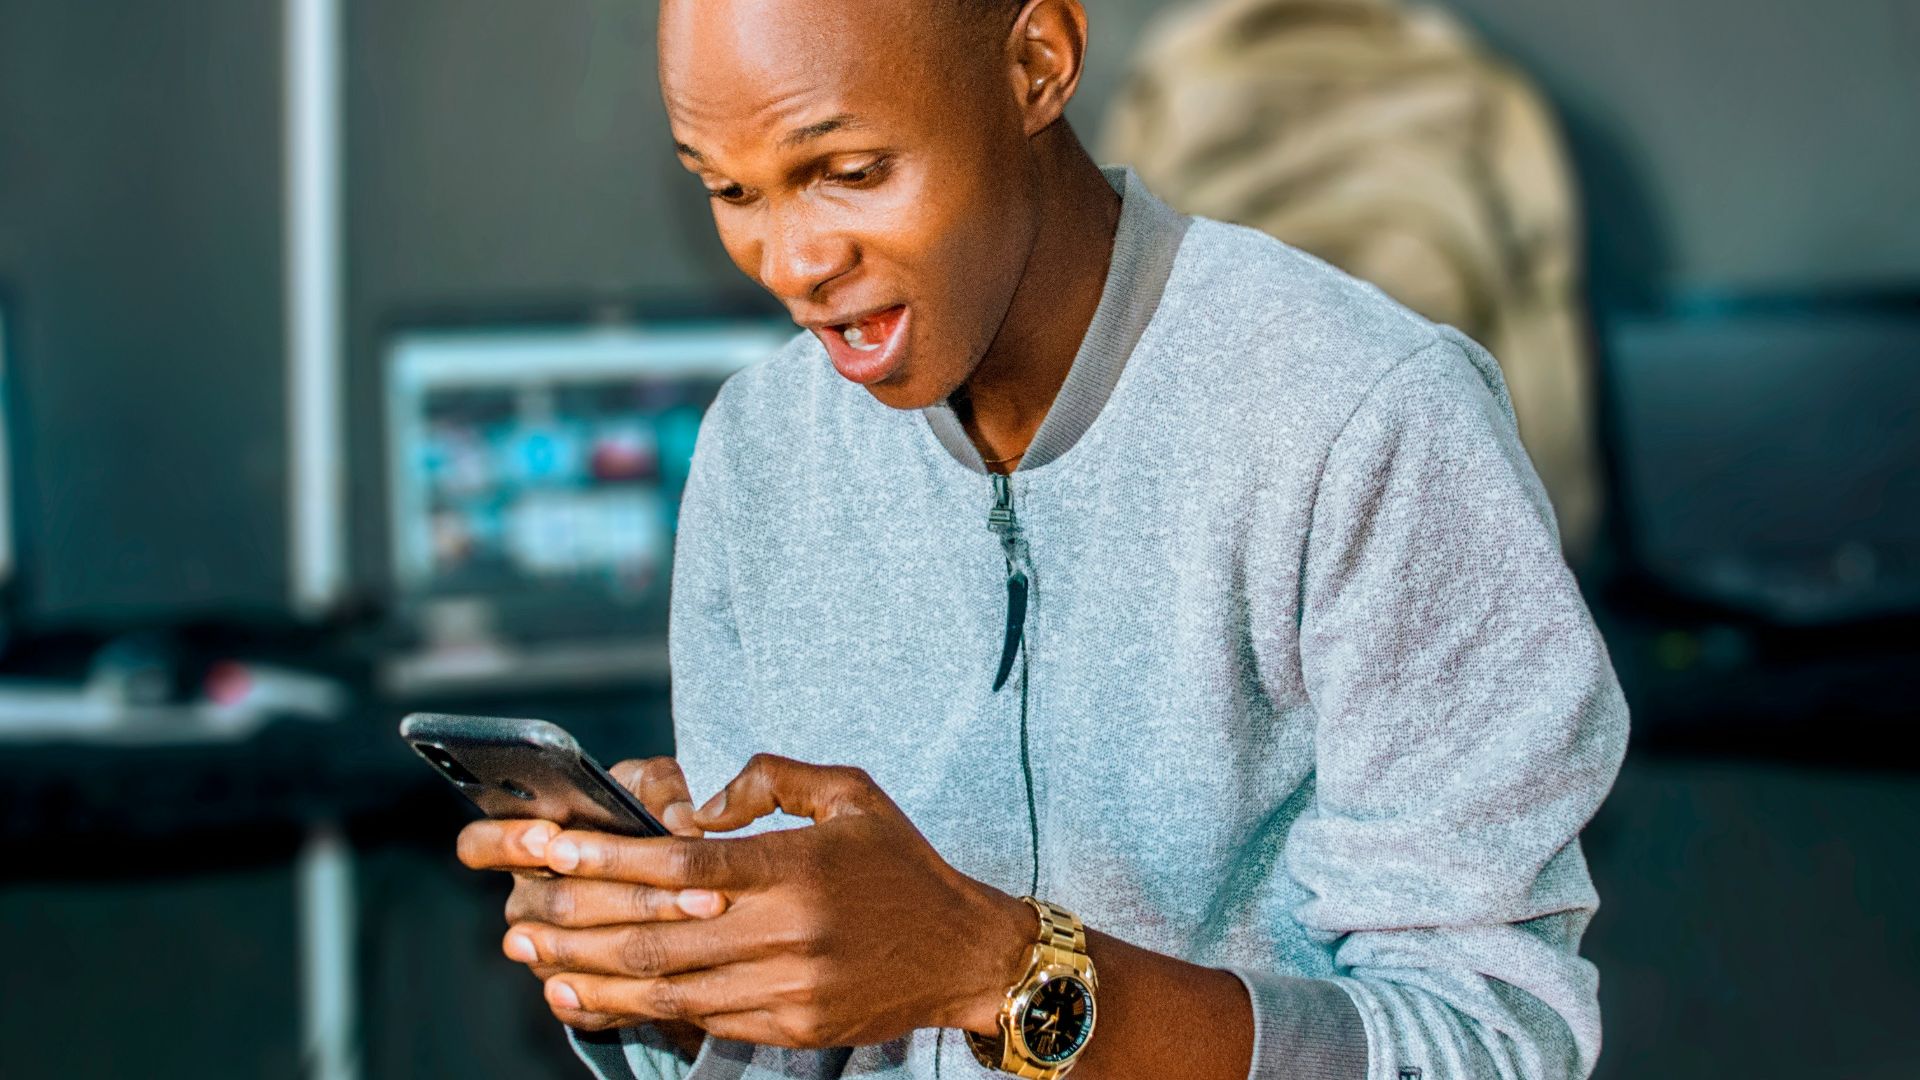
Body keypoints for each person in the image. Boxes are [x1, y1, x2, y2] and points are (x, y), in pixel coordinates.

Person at [455, 1, 1630, 1078]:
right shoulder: (759, 452)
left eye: (851, 172)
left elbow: (1488, 1044)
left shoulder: (1368, 420)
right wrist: (673, 981)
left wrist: (1004, 972)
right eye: (730, 190)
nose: (796, 264)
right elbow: (790, 1048)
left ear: (1036, 64)